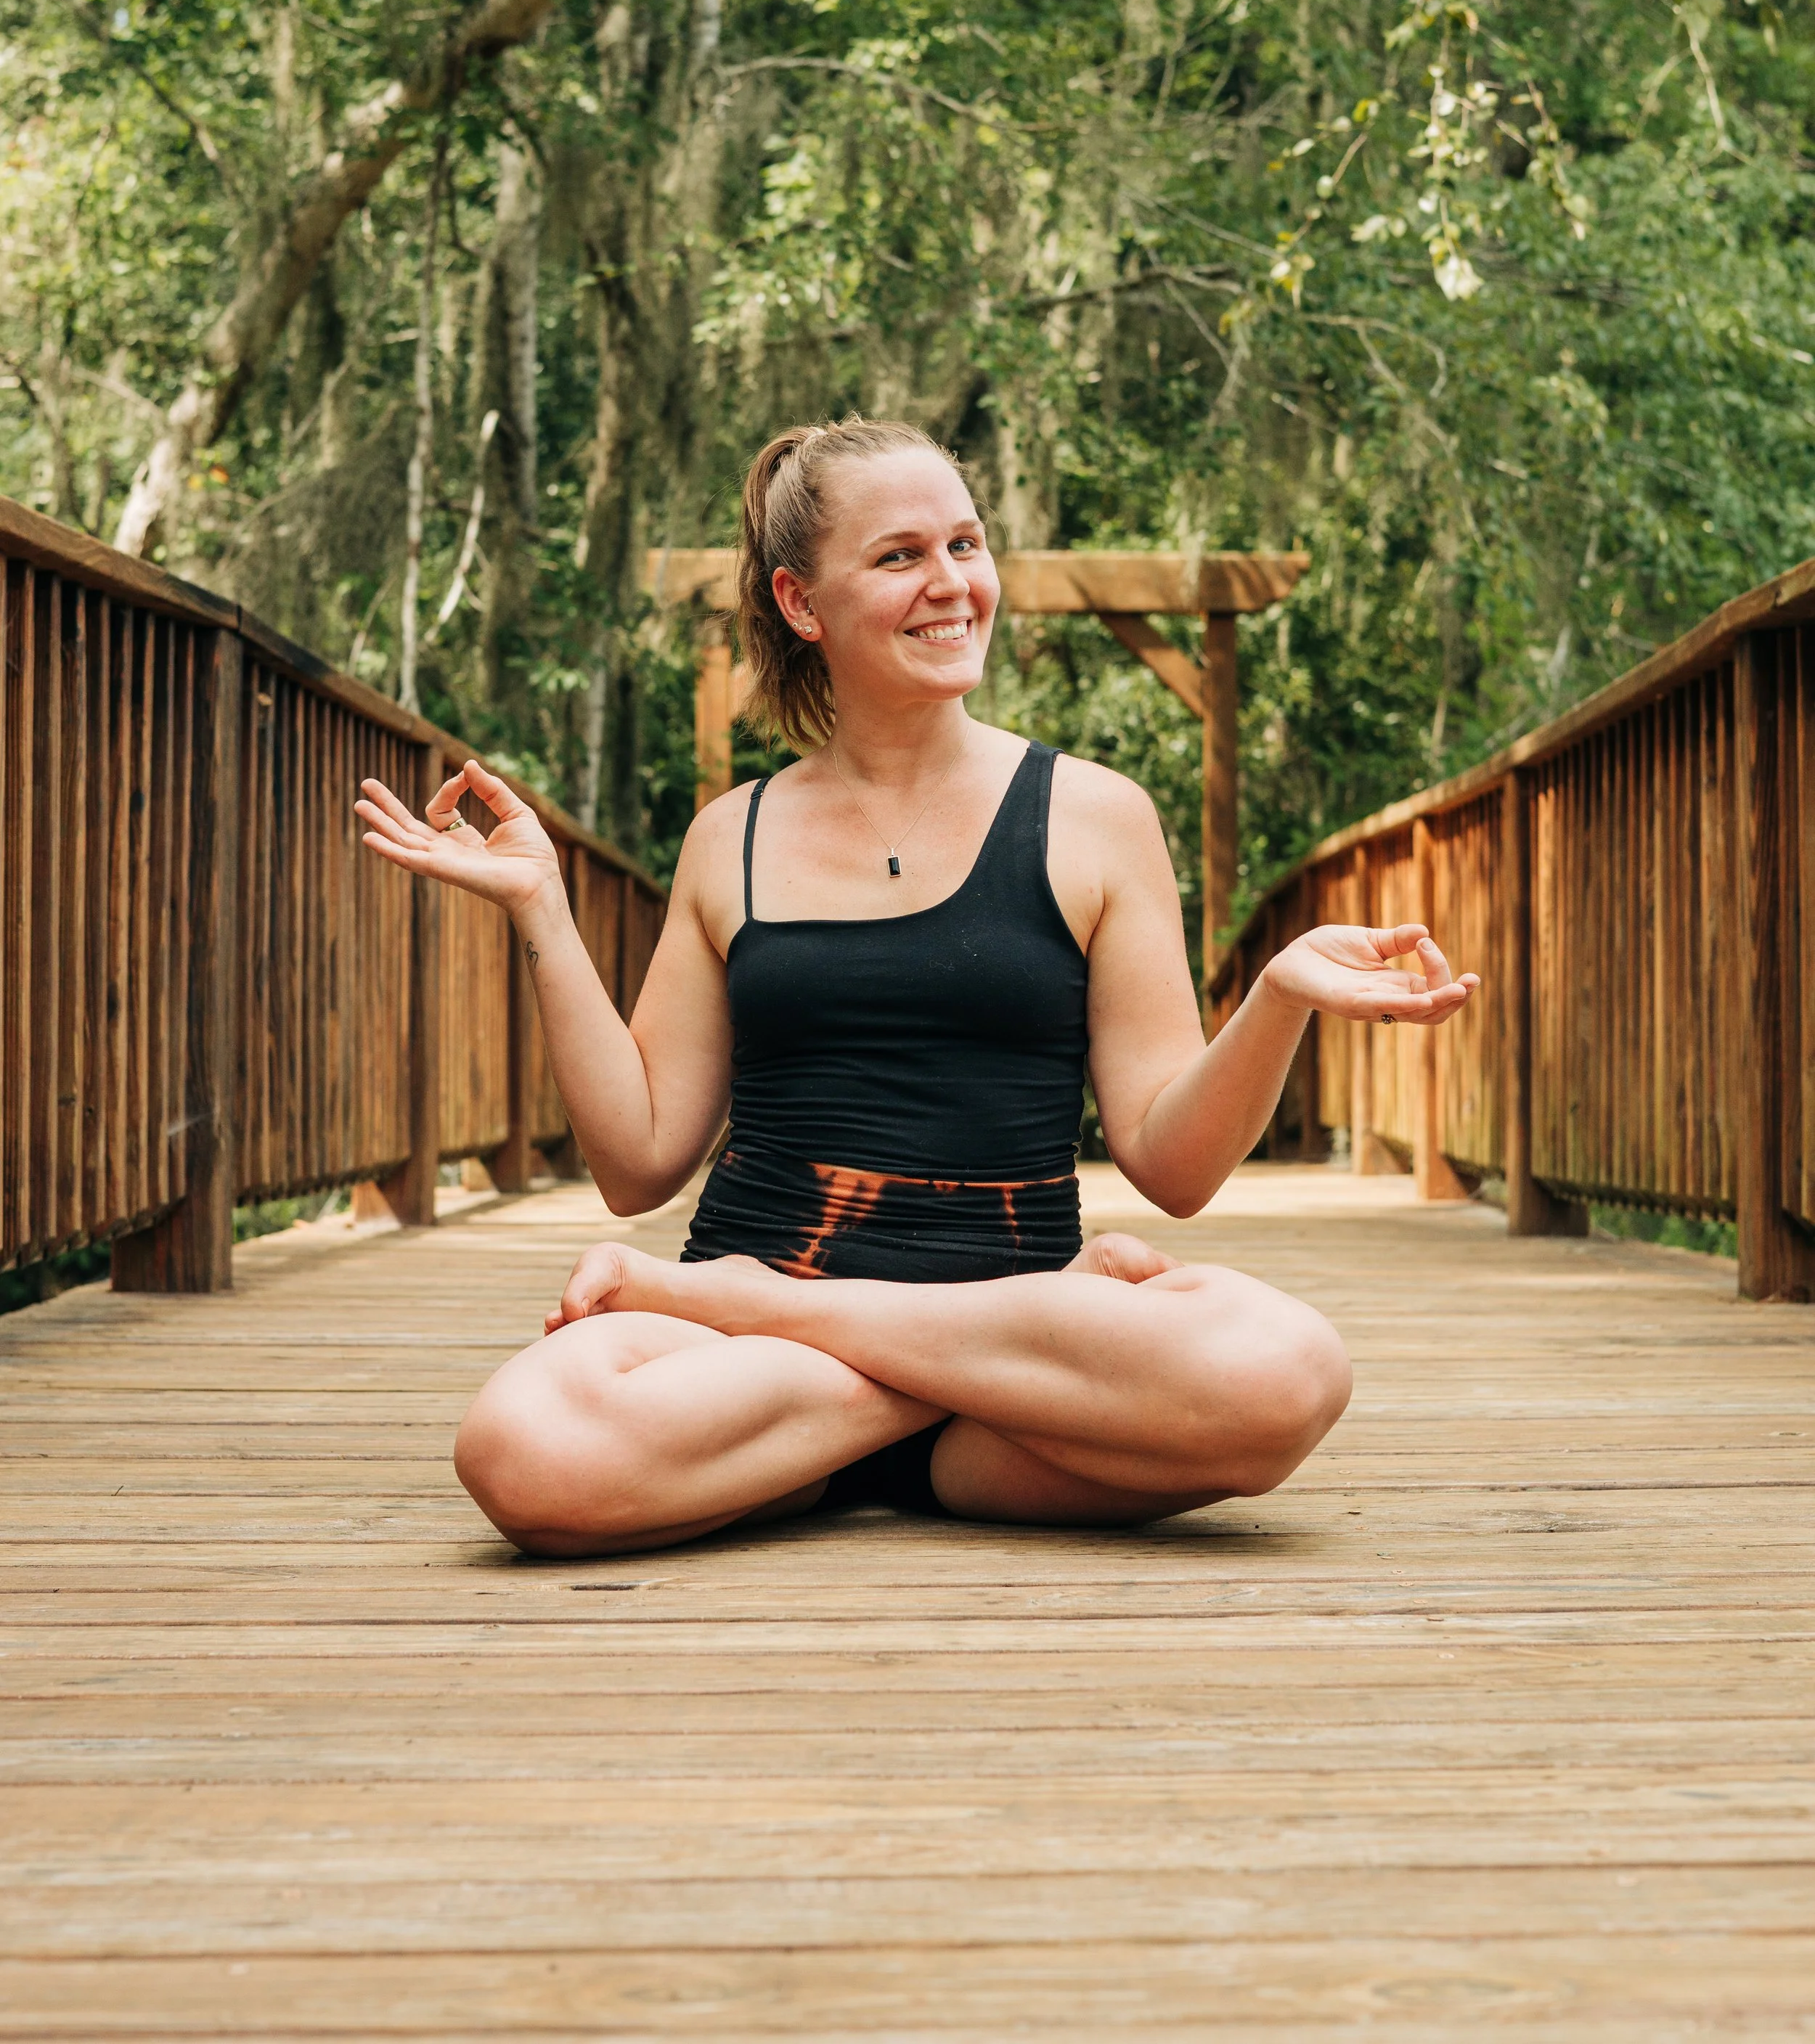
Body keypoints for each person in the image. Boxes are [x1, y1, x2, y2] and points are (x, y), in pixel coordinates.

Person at [354, 417, 1477, 1555]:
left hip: (991, 1355)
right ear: (802, 602)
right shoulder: (728, 837)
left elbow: (1173, 1167)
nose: (952, 583)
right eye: (900, 556)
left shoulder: (1095, 816)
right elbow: (639, 1156)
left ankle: (803, 1384)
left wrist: (1275, 999)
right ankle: (879, 1389)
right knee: (521, 1446)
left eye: (967, 544)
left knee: (1292, 1370)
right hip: (780, 1378)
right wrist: (541, 907)